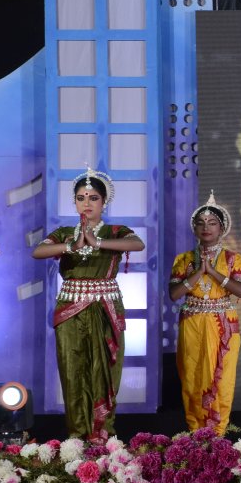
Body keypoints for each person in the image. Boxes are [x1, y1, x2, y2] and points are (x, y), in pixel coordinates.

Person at [32, 167, 144, 440]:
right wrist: (72, 246)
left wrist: (97, 241)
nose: (86, 203)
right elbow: (38, 251)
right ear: (74, 202)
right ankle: (77, 437)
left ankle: (102, 435)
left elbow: (137, 244)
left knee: (105, 372)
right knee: (73, 373)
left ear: (104, 202)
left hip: (105, 310)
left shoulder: (118, 231)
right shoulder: (64, 233)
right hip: (70, 311)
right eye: (81, 197)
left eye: (93, 198)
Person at [168, 191, 241, 435]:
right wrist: (197, 272)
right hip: (192, 323)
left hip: (223, 324)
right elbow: (174, 294)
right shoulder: (183, 260)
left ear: (221, 228)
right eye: (201, 223)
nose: (206, 228)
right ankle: (196, 432)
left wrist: (212, 272)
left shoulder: (233, 258)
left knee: (222, 380)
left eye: (212, 223)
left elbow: (240, 290)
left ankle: (218, 434)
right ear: (194, 228)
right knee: (191, 377)